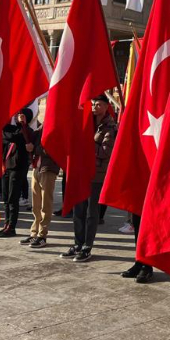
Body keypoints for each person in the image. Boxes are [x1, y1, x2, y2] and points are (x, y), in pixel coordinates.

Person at [60, 94, 116, 262]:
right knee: (78, 209)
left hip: (96, 174)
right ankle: (78, 243)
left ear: (107, 107)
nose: (94, 107)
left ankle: (87, 246)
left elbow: (106, 151)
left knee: (92, 212)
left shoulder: (110, 127)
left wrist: (87, 144)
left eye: (99, 104)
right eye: (93, 104)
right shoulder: (86, 122)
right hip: (80, 172)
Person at [19, 122, 59, 249]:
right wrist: (23, 124)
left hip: (48, 168)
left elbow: (53, 147)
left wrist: (34, 148)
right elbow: (31, 137)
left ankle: (42, 235)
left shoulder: (56, 127)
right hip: (37, 167)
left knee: (45, 204)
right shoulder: (43, 126)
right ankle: (34, 232)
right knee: (36, 204)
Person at [0, 108, 34, 238]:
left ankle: (12, 227)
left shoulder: (27, 132)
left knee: (13, 199)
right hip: (7, 167)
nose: (17, 117)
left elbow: (12, 137)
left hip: (18, 169)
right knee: (6, 199)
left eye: (21, 115)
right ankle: (6, 224)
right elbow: (4, 134)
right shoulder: (13, 129)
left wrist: (22, 124)